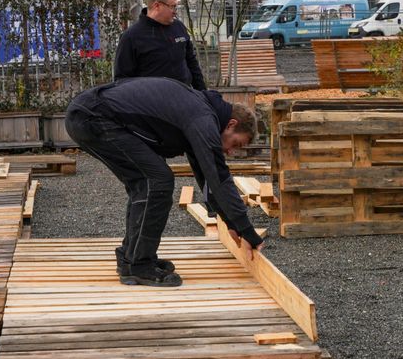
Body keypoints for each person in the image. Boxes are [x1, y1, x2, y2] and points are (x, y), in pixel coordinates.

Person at [64, 77, 263, 287]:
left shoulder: (203, 112)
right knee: (158, 180)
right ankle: (139, 265)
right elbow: (219, 176)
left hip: (89, 115)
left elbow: (207, 178)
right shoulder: (203, 118)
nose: (231, 151)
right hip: (93, 117)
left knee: (144, 183)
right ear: (231, 124)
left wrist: (231, 222)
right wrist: (249, 231)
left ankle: (131, 257)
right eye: (235, 143)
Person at [114, 0, 207, 90]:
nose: (175, 11)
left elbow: (192, 63)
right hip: (151, 102)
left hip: (183, 98)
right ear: (157, 6)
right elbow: (122, 80)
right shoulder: (131, 37)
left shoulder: (179, 27)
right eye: (172, 6)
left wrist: (203, 94)